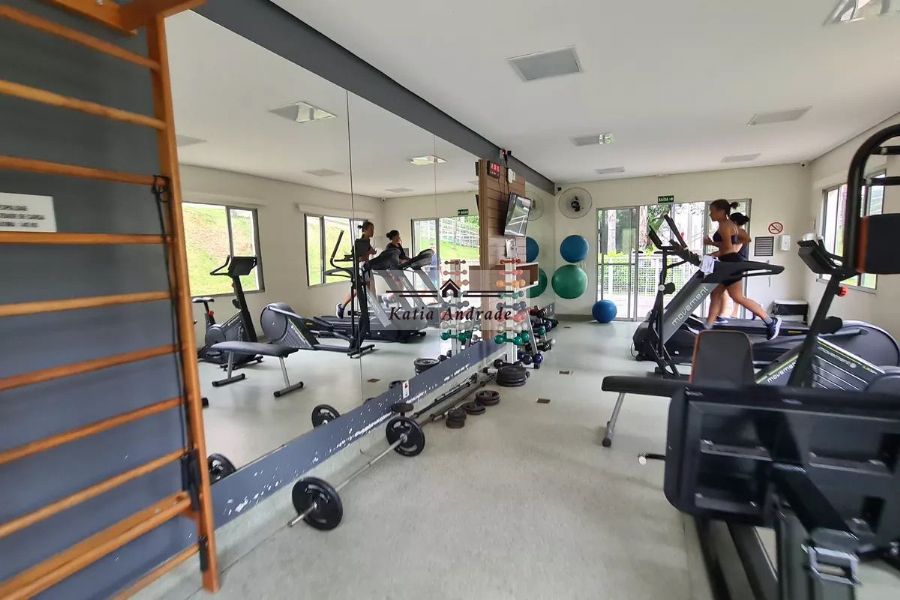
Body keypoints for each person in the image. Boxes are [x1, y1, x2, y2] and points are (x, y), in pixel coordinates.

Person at [703, 200, 781, 339]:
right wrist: (731, 245)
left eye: (712, 211)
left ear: (721, 212)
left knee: (737, 297)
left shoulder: (725, 225)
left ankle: (770, 321)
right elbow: (746, 238)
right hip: (728, 262)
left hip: (730, 263)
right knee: (715, 294)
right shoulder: (729, 224)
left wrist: (711, 244)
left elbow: (727, 248)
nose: (710, 214)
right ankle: (707, 327)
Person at [336, 221, 376, 318]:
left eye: (373, 229)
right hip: (361, 267)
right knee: (360, 290)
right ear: (364, 230)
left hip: (366, 266)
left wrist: (372, 252)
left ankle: (344, 307)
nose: (372, 231)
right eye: (371, 229)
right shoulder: (359, 242)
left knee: (365, 289)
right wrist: (366, 255)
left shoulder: (367, 241)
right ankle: (342, 306)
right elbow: (356, 256)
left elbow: (369, 251)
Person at [719, 212, 751, 321]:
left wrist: (716, 254)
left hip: (736, 264)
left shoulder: (739, 233)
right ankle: (725, 314)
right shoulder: (733, 232)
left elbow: (734, 250)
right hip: (732, 263)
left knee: (729, 292)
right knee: (732, 293)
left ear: (735, 222)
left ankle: (724, 314)